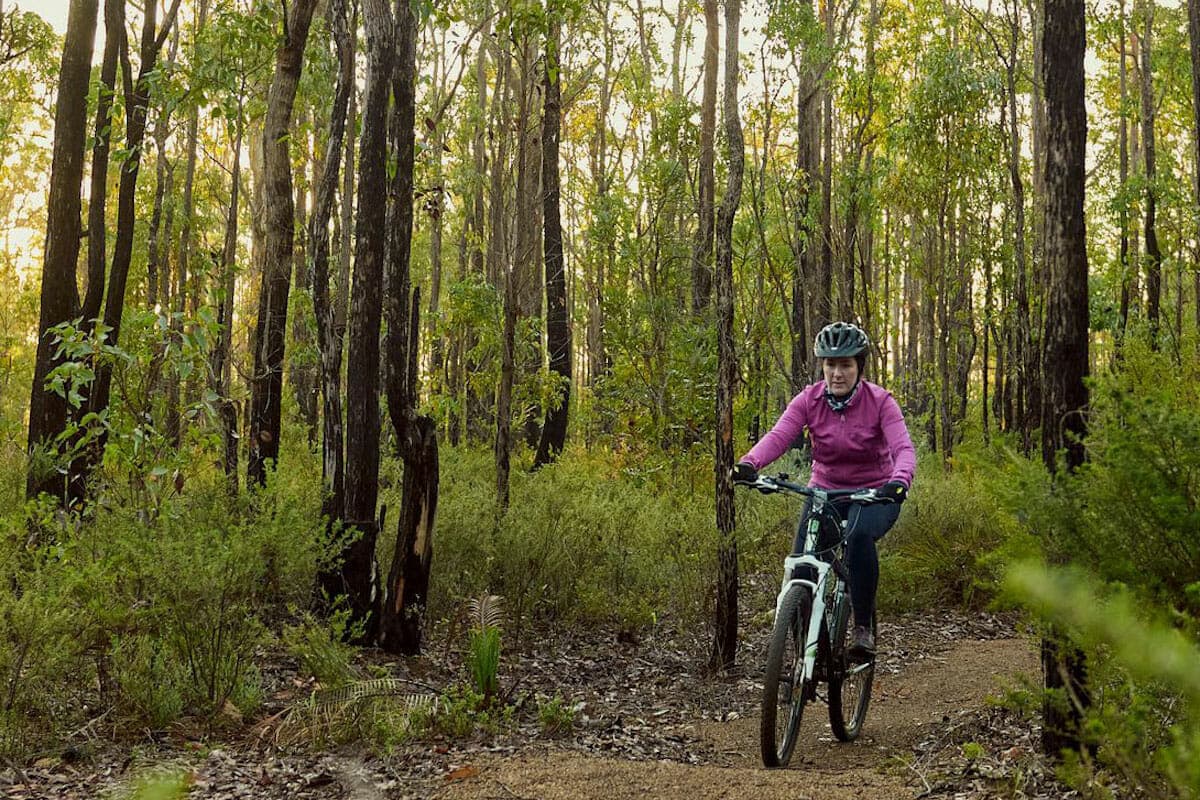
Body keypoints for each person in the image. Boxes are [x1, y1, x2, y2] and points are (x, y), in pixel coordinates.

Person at [733, 321, 915, 661]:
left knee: (859, 537)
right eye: (830, 364)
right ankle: (808, 651)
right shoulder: (809, 399)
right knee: (803, 565)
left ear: (859, 366)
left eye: (845, 364)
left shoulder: (880, 402)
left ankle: (862, 628)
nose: (837, 373)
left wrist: (899, 481)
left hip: (874, 493)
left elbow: (903, 448)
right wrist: (749, 464)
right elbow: (780, 436)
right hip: (825, 493)